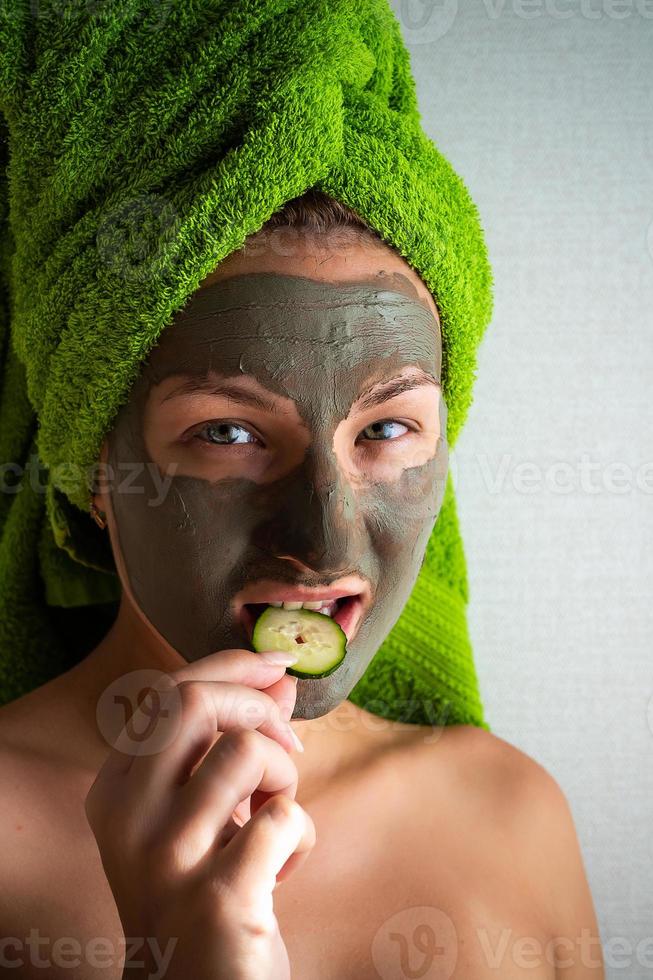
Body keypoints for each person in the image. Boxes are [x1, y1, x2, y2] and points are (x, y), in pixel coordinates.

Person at [0, 191, 604, 979]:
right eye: (228, 433)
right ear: (96, 477)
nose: (325, 543)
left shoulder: (514, 813)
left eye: (386, 429)